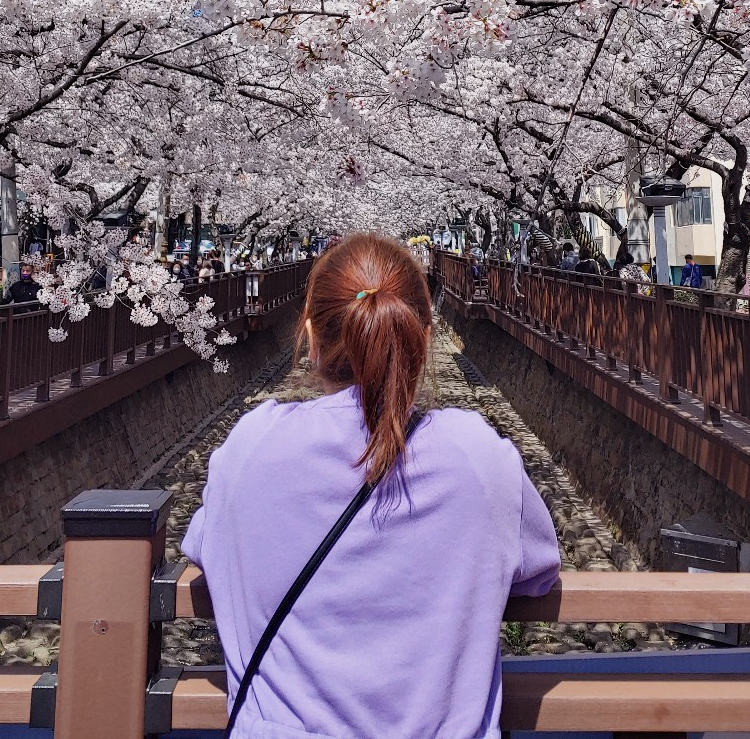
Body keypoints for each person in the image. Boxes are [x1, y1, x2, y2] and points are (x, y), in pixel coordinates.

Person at [182, 234, 560, 739]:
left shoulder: (252, 445)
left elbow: (204, 544)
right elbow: (538, 568)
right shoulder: (478, 453)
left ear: (311, 337)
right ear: (423, 338)